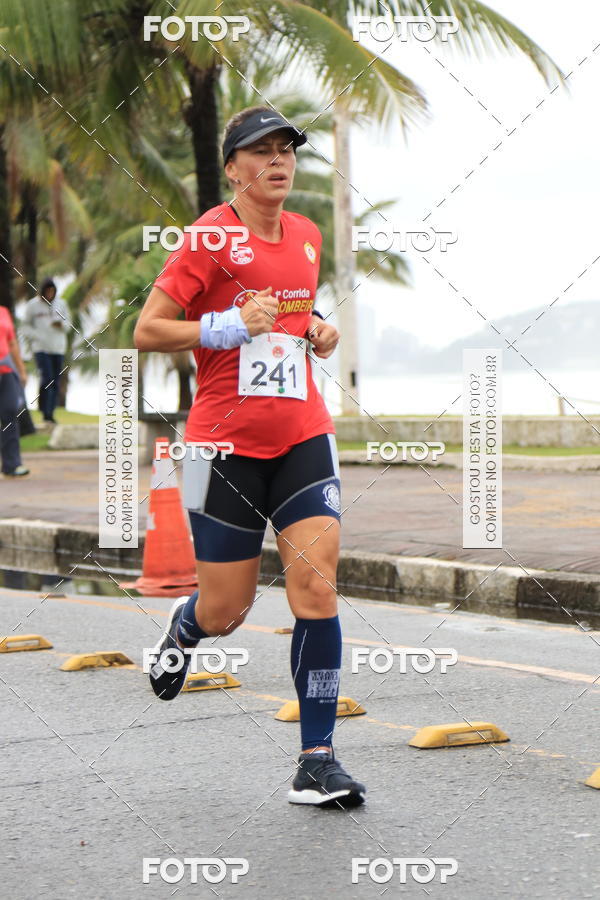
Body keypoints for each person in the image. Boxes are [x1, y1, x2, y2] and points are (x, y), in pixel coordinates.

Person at [134, 106, 366, 808]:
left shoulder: (306, 234)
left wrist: (317, 327)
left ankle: (317, 760)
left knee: (316, 588)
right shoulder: (208, 236)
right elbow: (148, 329)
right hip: (219, 447)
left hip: (301, 435)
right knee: (226, 610)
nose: (278, 161)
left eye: (287, 149)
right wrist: (225, 326)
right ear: (232, 166)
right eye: (260, 151)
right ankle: (187, 623)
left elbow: (297, 311)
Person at [23, 278, 70, 425]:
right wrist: (38, 336)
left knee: (55, 381)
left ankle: (49, 412)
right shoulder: (32, 306)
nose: (50, 294)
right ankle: (45, 412)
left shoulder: (61, 304)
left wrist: (60, 325)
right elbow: (24, 327)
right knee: (47, 378)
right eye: (47, 291)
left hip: (58, 348)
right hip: (41, 348)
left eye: (52, 291)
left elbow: (69, 325)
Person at [0, 300, 29, 477]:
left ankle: (12, 465)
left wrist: (22, 370)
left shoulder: (3, 311)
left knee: (10, 411)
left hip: (7, 370)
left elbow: (12, 343)